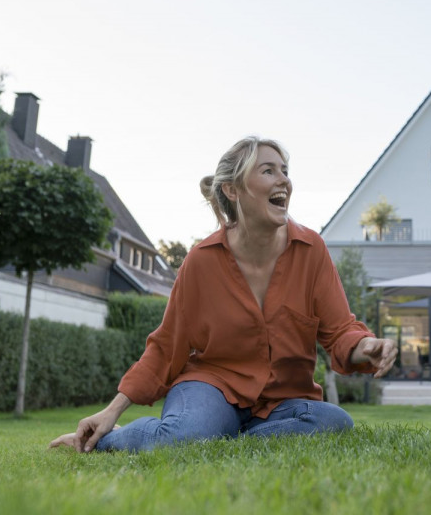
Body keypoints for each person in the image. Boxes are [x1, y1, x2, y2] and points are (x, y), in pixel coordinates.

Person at [49, 137, 397, 453]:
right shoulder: (202, 261)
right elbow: (167, 345)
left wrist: (364, 346)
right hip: (211, 387)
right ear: (233, 190)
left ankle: (219, 439)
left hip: (282, 401)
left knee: (335, 423)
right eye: (268, 171)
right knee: (184, 437)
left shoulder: (311, 250)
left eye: (285, 171)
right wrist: (111, 412)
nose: (284, 181)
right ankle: (119, 439)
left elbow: (339, 330)